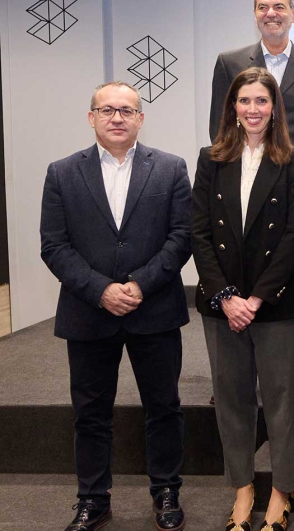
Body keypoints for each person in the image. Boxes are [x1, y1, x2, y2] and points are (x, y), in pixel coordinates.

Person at [40, 81, 191, 531]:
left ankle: (166, 492)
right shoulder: (62, 172)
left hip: (155, 309)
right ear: (91, 118)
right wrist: (101, 289)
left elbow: (181, 237)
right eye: (107, 110)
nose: (117, 117)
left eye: (126, 110)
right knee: (91, 414)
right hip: (89, 312)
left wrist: (140, 285)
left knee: (164, 408)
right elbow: (54, 245)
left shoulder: (170, 168)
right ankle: (93, 499)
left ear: (141, 119)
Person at [192, 67, 294, 531]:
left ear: (275, 107)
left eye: (261, 100)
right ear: (232, 107)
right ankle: (242, 488)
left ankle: (282, 490)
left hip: (279, 304)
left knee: (283, 403)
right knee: (232, 399)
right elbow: (199, 232)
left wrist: (257, 299)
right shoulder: (211, 158)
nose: (252, 109)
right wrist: (226, 297)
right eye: (244, 100)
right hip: (223, 305)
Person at [210, 0, 294, 398]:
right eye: (263, 7)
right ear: (255, 13)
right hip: (245, 182)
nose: (271, 13)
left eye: (279, 6)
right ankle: (237, 372)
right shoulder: (229, 63)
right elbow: (220, 128)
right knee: (239, 266)